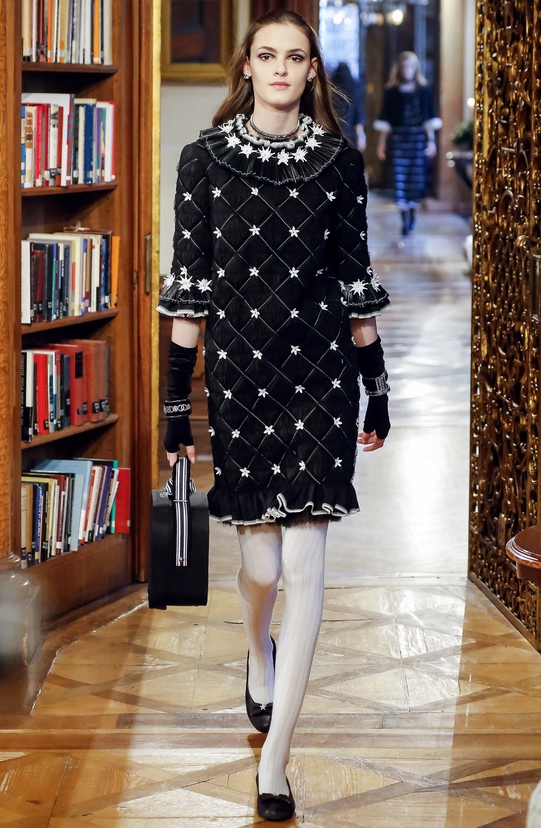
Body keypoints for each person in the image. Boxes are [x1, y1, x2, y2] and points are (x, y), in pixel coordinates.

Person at [157, 9, 390, 821]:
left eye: (296, 56)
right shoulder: (203, 161)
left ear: (312, 70)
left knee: (306, 567)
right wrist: (174, 407)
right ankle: (257, 649)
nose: (282, 68)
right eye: (268, 55)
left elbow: (355, 281)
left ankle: (275, 762)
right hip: (244, 381)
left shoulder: (338, 164)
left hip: (322, 377)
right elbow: (190, 290)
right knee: (261, 568)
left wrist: (378, 386)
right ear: (247, 67)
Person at [373, 51, 442, 236]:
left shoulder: (424, 90)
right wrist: (382, 143)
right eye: (404, 66)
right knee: (400, 179)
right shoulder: (392, 91)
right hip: (399, 140)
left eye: (410, 66)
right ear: (399, 69)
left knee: (415, 179)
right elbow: (385, 120)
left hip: (417, 140)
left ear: (415, 68)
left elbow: (429, 119)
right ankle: (404, 219)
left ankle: (412, 215)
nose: (407, 69)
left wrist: (431, 141)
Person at [330, 61, 367, 151]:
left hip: (333, 134)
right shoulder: (355, 91)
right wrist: (361, 137)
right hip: (350, 135)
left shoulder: (330, 92)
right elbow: (359, 116)